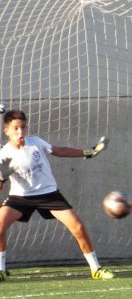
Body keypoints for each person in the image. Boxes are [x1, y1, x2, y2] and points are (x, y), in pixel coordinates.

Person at [0, 109, 113, 281]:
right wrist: (2, 176)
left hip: (49, 195)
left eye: (23, 127)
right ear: (6, 130)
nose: (20, 132)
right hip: (20, 197)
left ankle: (96, 269)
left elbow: (59, 150)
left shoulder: (35, 142)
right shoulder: (4, 154)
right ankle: (1, 269)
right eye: (15, 128)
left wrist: (88, 152)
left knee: (78, 227)